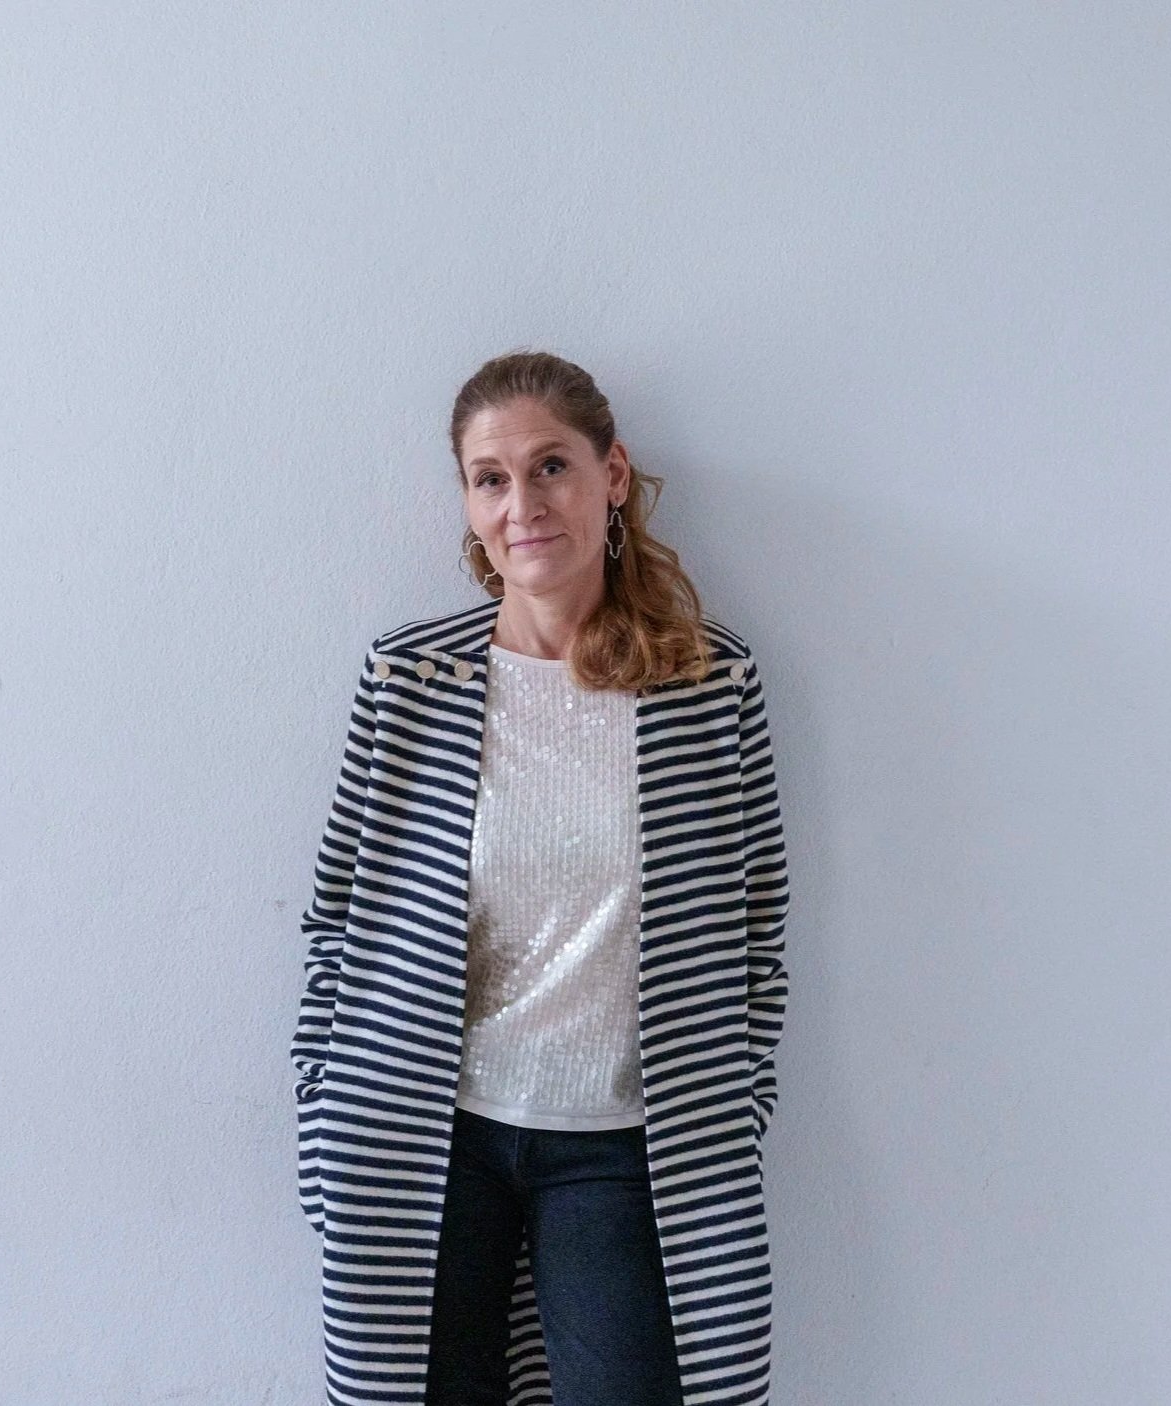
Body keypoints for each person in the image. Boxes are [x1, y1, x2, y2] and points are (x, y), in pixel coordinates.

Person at [290, 350, 791, 1406]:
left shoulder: (709, 684)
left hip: (624, 1147)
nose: (523, 502)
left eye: (550, 466)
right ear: (469, 502)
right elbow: (338, 917)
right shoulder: (410, 680)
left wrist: (732, 1108)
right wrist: (320, 1110)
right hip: (425, 1135)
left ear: (610, 475)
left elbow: (752, 925)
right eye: (489, 477)